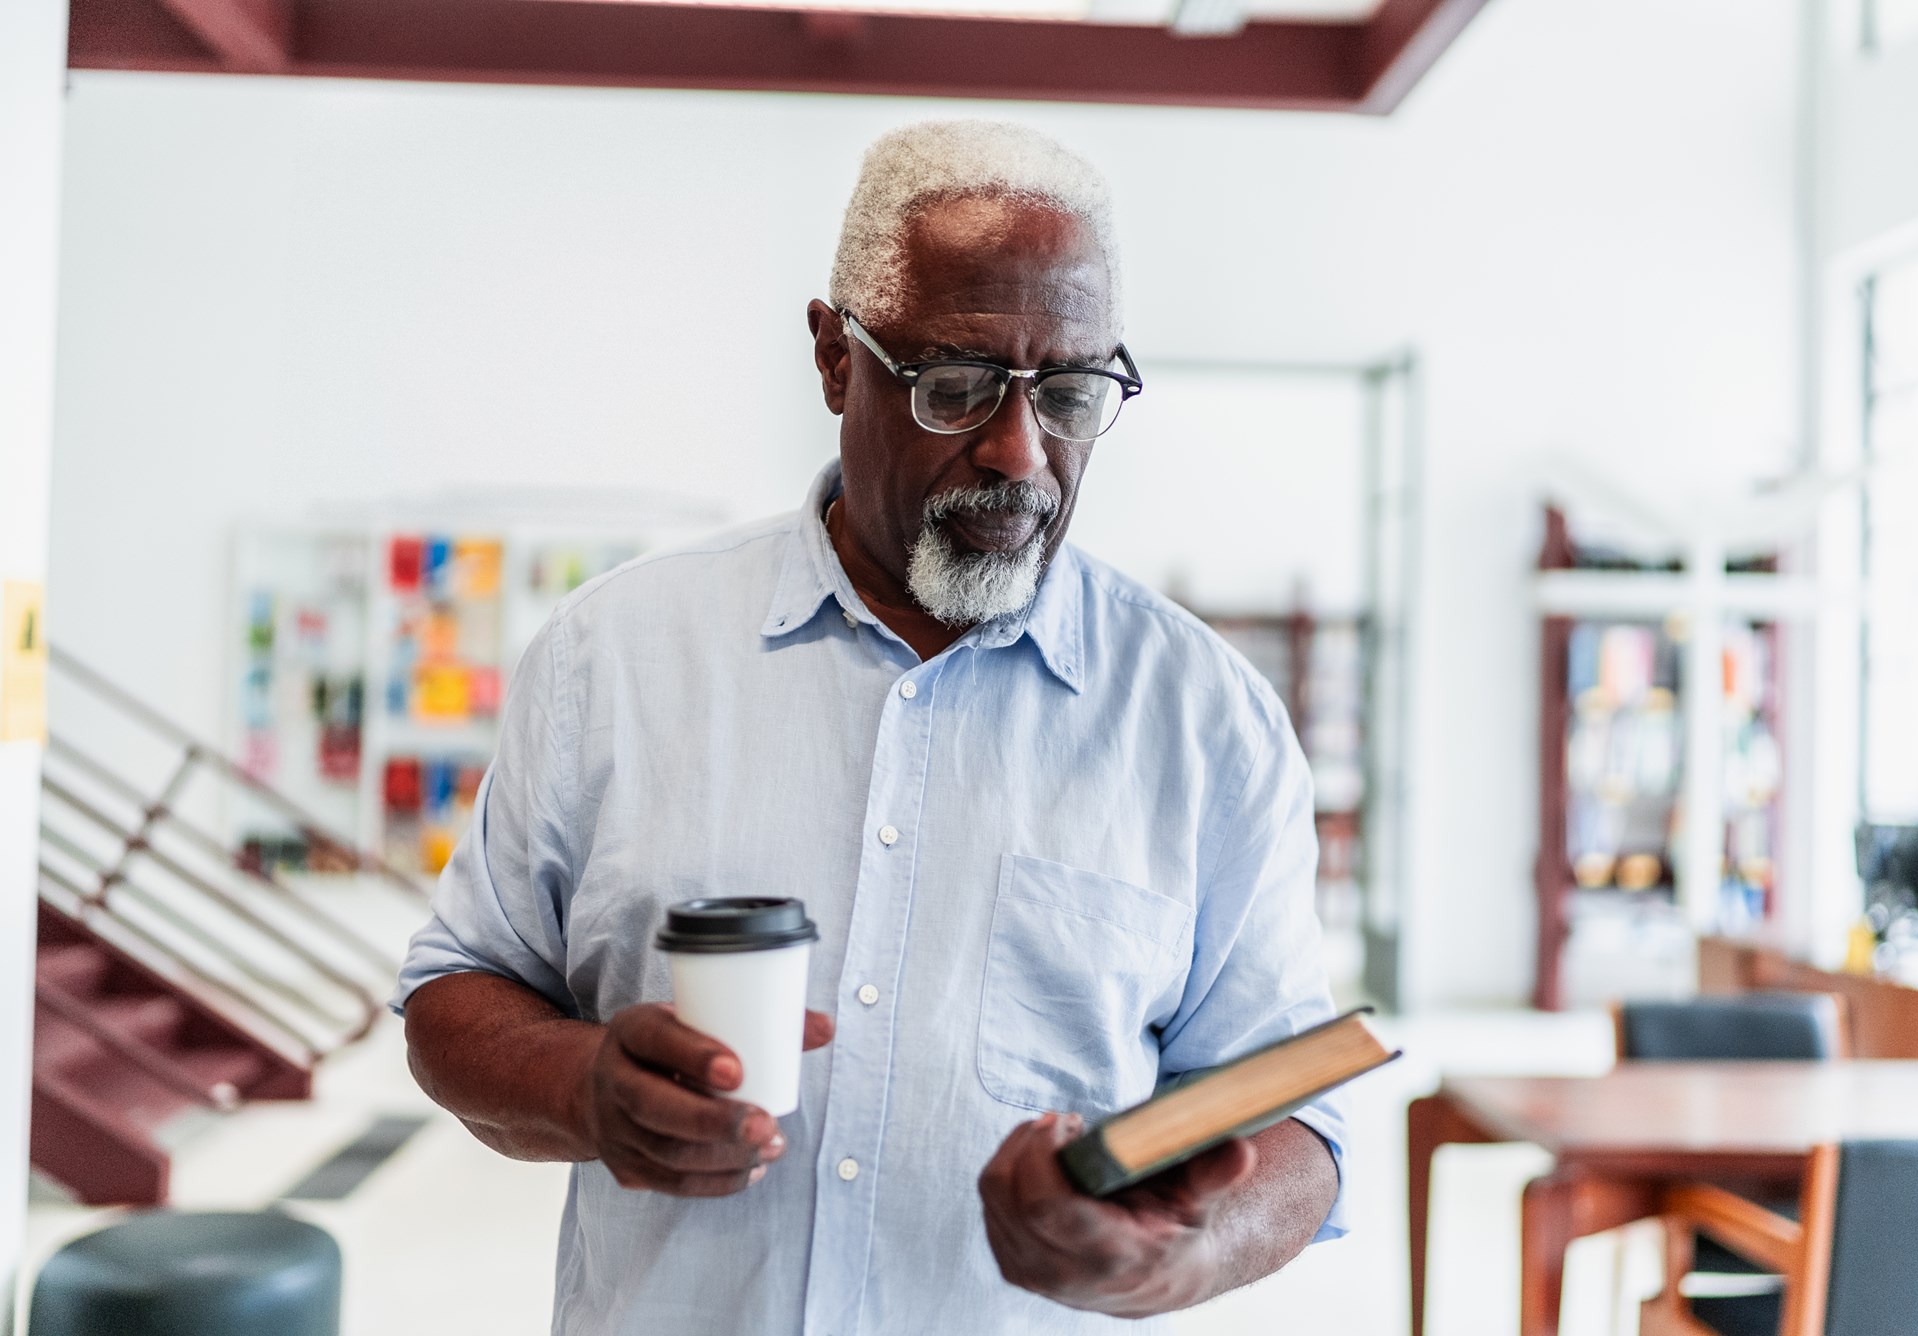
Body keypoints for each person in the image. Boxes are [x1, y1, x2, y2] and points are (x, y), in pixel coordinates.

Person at [396, 119, 1350, 1335]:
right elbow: (456, 991)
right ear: (834, 360)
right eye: (954, 385)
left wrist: (1173, 1255)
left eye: (1068, 394)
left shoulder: (1204, 722)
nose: (1019, 453)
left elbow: (1300, 1112)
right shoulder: (618, 657)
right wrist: (584, 1087)